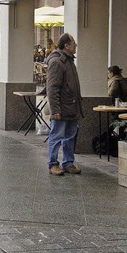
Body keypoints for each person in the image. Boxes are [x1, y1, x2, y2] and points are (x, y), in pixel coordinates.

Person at [46, 33, 83, 175]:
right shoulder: (57, 62)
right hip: (62, 107)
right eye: (73, 43)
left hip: (72, 106)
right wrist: (55, 110)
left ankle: (68, 162)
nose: (76, 46)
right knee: (56, 135)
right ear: (66, 46)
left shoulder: (69, 60)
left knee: (70, 136)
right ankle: (53, 164)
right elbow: (52, 88)